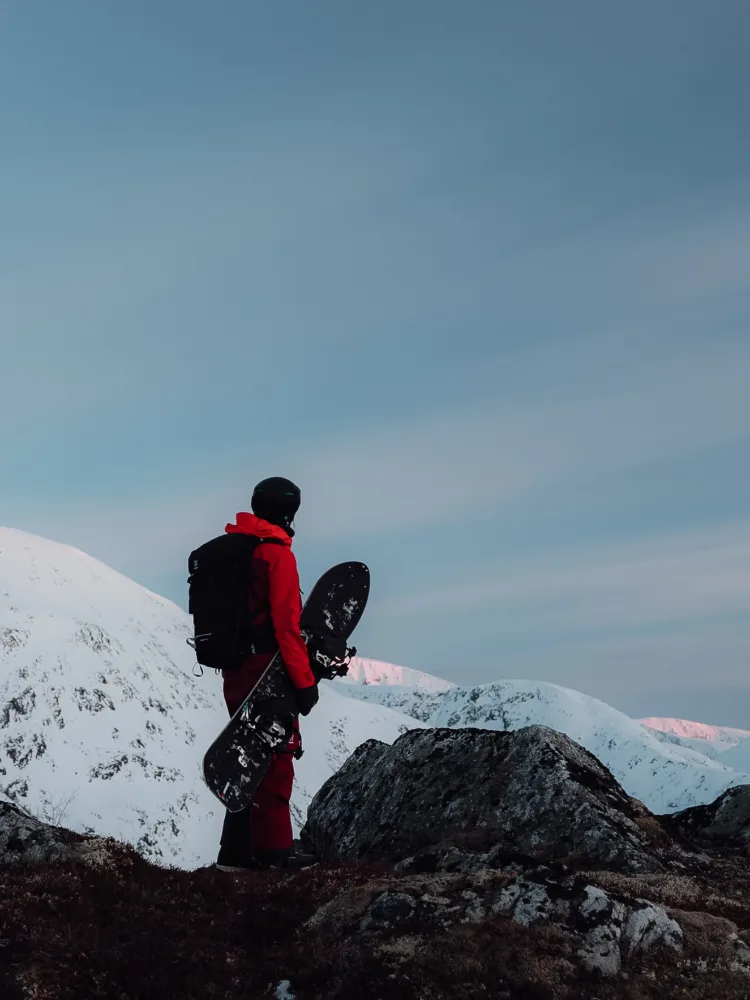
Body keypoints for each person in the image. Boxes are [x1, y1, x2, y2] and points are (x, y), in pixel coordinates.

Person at [216, 476, 319, 872]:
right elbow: (287, 627)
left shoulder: (233, 549)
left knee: (244, 752)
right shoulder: (276, 556)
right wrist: (304, 681)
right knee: (276, 753)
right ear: (289, 512)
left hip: (234, 669)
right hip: (267, 670)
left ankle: (235, 853)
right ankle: (276, 852)